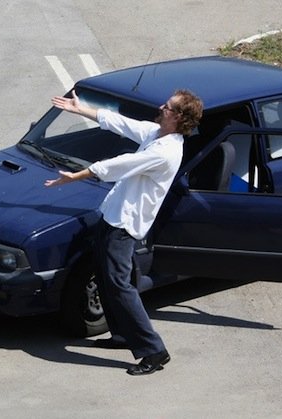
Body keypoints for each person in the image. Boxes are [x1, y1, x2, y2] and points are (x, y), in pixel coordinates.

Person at [44, 89, 203, 375]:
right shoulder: (157, 134)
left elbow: (120, 164)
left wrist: (77, 176)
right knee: (110, 279)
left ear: (178, 117)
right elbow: (120, 122)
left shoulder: (165, 152)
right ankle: (121, 335)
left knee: (119, 285)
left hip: (124, 225)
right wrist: (80, 110)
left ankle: (154, 351)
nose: (160, 106)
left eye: (167, 106)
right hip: (113, 216)